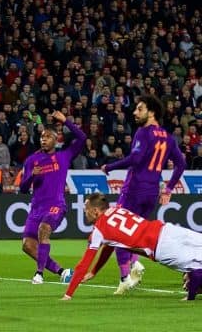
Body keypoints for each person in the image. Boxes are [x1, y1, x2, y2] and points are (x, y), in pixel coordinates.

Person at [101, 94, 186, 294]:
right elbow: (181, 164)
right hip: (151, 192)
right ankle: (135, 264)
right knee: (137, 232)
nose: (135, 112)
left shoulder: (143, 132)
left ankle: (125, 277)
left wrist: (110, 166)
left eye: (139, 109)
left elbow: (136, 158)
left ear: (152, 112)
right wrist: (168, 189)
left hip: (134, 188)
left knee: (119, 232)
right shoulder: (167, 136)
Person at [62, 193, 202, 301]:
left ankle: (193, 293)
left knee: (195, 270)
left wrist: (68, 294)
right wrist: (94, 272)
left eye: (86, 210)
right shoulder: (117, 209)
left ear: (95, 211)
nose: (84, 213)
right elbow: (109, 246)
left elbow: (83, 264)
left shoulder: (98, 231)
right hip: (167, 229)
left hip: (161, 247)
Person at [19, 111, 86, 284]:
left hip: (56, 204)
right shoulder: (31, 160)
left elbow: (82, 137)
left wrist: (66, 121)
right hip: (36, 207)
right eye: (42, 136)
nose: (44, 139)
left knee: (44, 230)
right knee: (27, 245)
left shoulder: (64, 155)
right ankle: (62, 271)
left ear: (55, 140)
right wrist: (31, 176)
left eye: (48, 137)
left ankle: (39, 273)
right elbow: (23, 189)